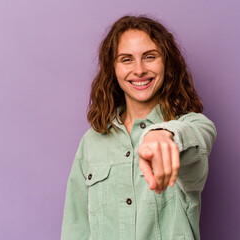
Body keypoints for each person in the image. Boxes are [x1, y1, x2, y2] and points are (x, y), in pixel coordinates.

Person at [60, 15, 217, 240]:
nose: (139, 69)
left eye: (150, 57)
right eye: (126, 59)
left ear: (167, 63)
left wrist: (164, 135)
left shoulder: (191, 125)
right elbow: (75, 228)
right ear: (112, 68)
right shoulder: (91, 141)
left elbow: (200, 135)